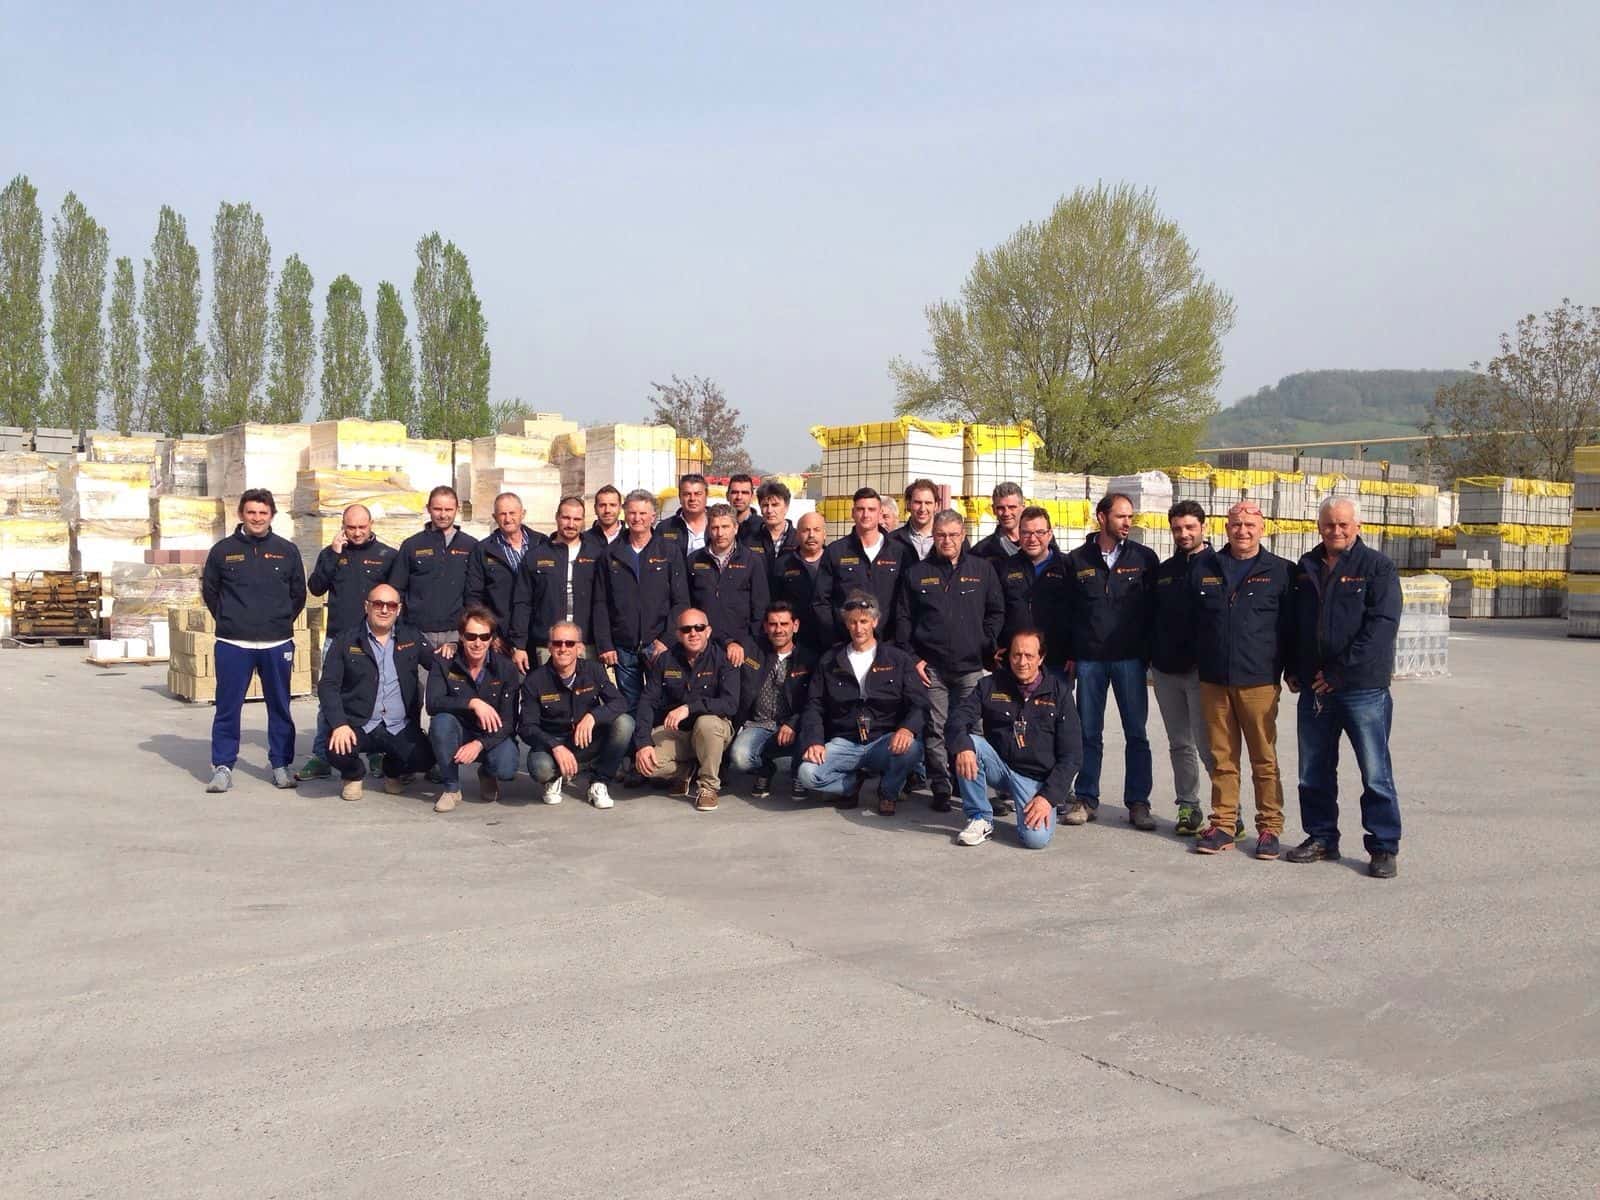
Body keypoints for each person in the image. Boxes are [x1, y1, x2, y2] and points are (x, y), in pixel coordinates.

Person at [1285, 497, 1403, 878]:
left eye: (1343, 524)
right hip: (1315, 689)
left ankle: (1383, 846)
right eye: (1329, 524)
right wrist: (1295, 667)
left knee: (1375, 772)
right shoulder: (1306, 567)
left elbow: (1382, 627)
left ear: (1357, 526)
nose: (1335, 530)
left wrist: (1339, 672)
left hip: (1361, 688)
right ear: (1319, 526)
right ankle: (1322, 837)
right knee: (1313, 770)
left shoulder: (1377, 568)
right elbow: (1296, 623)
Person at [1188, 500, 1297, 859]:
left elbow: (1291, 628)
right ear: (1226, 528)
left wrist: (1293, 669)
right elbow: (1191, 621)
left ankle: (1269, 828)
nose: (1243, 531)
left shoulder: (1281, 572)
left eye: (1250, 525)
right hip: (1214, 680)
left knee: (1263, 758)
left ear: (1262, 528)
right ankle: (1223, 824)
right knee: (1222, 757)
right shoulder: (1205, 567)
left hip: (1259, 681)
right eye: (1236, 524)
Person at [891, 509, 1005, 812]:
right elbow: (903, 618)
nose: (947, 541)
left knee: (972, 728)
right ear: (933, 536)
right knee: (935, 729)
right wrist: (913, 658)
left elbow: (996, 611)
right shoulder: (917, 573)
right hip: (932, 668)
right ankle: (941, 786)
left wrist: (985, 642)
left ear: (963, 535)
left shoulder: (981, 569)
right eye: (941, 535)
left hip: (971, 667)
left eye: (953, 535)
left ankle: (972, 787)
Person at [1061, 492, 1160, 830]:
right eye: (1120, 516)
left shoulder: (1144, 558)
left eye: (1130, 516)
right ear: (1101, 517)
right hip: (1090, 661)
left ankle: (1138, 802)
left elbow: (1154, 611)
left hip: (1130, 660)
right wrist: (1072, 653)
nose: (1127, 522)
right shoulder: (1077, 560)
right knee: (1089, 732)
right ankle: (1086, 799)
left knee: (1137, 733)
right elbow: (1068, 612)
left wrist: (1148, 654)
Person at [200, 489, 307, 793]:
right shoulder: (222, 551)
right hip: (233, 644)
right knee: (227, 707)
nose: (257, 518)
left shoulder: (287, 551)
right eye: (251, 512)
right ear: (241, 515)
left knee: (280, 707)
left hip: (277, 643)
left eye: (263, 512)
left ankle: (281, 765)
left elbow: (298, 594)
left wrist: (279, 622)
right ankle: (222, 766)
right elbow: (211, 592)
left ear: (272, 515)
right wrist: (231, 620)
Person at [947, 629, 1083, 849]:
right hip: (1000, 767)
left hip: (1036, 779)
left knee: (1035, 840)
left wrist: (1047, 798)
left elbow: (1072, 756)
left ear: (1041, 658)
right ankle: (979, 817)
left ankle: (1033, 806)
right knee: (969, 743)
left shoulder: (1060, 693)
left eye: (1029, 656)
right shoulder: (990, 685)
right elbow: (957, 719)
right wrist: (963, 747)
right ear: (1008, 656)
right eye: (1016, 655)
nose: (1022, 662)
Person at [796, 591, 928, 815]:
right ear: (846, 624)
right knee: (807, 773)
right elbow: (814, 705)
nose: (859, 628)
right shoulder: (830, 660)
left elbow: (920, 702)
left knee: (912, 749)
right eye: (853, 622)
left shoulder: (898, 659)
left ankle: (888, 792)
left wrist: (907, 729)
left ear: (875, 622)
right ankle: (851, 784)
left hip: (883, 740)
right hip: (845, 741)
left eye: (864, 621)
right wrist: (815, 741)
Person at [296, 503, 397, 782]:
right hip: (338, 639)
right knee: (329, 698)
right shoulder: (331, 554)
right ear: (343, 527)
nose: (357, 532)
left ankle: (376, 753)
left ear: (371, 525)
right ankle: (321, 756)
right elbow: (316, 588)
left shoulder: (387, 556)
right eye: (351, 527)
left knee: (378, 696)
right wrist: (333, 554)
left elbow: (397, 598)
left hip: (377, 640)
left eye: (362, 527)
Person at [319, 583, 437, 801]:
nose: (384, 610)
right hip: (359, 723)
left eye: (391, 605)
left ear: (398, 609)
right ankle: (353, 775)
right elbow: (328, 685)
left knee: (426, 758)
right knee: (336, 749)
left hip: (398, 725)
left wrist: (453, 649)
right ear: (367, 606)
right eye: (378, 604)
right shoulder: (346, 640)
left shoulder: (411, 636)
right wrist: (339, 724)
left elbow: (437, 663)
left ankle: (392, 770)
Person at [1150, 499, 1216, 837]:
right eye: (1177, 528)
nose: (1184, 533)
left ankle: (1228, 811)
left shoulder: (1219, 567)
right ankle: (1188, 806)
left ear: (1204, 526)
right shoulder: (1165, 571)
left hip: (1202, 674)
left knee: (1209, 745)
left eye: (1190, 527)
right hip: (1166, 671)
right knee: (1179, 743)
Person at [633, 607, 741, 812]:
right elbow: (647, 701)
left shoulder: (723, 659)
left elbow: (730, 704)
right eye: (686, 629)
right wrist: (643, 743)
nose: (693, 633)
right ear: (677, 634)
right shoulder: (666, 659)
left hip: (713, 731)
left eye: (699, 628)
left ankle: (708, 787)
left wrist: (689, 708)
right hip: (679, 732)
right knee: (646, 765)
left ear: (708, 631)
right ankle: (687, 771)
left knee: (706, 723)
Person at [520, 619, 635, 809]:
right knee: (540, 768)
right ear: (549, 647)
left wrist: (593, 717)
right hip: (554, 744)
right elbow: (526, 727)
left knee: (625, 722)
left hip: (588, 741)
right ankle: (556, 777)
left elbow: (619, 702)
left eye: (570, 643)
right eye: (557, 643)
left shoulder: (594, 670)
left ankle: (600, 781)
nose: (563, 648)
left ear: (580, 648)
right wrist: (555, 746)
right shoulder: (535, 680)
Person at [593, 489, 689, 710]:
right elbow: (600, 603)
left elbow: (681, 601)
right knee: (631, 707)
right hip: (623, 647)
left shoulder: (669, 551)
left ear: (653, 516)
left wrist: (667, 639)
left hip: (659, 645)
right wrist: (605, 644)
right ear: (625, 514)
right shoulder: (611, 554)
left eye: (643, 513)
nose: (637, 518)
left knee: (663, 703)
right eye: (632, 513)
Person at [425, 605, 520, 813]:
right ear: (461, 636)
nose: (478, 643)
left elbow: (509, 722)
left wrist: (479, 744)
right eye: (471, 636)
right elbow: (433, 703)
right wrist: (472, 702)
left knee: (506, 767)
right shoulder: (444, 661)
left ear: (491, 638)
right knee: (441, 723)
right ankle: (451, 788)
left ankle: (487, 773)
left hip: (491, 735)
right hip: (459, 730)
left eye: (484, 637)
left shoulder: (506, 668)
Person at [730, 601, 817, 800]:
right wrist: (731, 644)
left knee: (810, 729)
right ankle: (765, 770)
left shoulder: (808, 659)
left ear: (795, 626)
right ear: (765, 627)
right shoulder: (752, 651)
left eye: (784, 624)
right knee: (741, 758)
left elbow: (814, 700)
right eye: (773, 624)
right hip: (758, 724)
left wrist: (793, 723)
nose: (778, 630)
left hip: (794, 725)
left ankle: (798, 773)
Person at [509, 494, 600, 668]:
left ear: (583, 521)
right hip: (547, 644)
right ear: (557, 517)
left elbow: (603, 602)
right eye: (566, 518)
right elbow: (522, 602)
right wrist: (519, 645)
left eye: (577, 519)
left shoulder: (596, 555)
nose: (571, 524)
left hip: (586, 644)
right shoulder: (536, 556)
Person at [391, 486, 479, 657]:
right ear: (428, 509)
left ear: (457, 509)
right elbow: (396, 590)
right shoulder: (412, 545)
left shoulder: (471, 546)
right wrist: (402, 629)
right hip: (418, 633)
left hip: (457, 634)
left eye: (448, 509)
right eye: (438, 509)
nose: (443, 515)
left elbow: (475, 592)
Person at [813, 487, 907, 643]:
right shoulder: (836, 551)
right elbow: (821, 600)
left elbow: (906, 603)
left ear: (880, 513)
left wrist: (898, 640)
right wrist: (834, 637)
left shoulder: (899, 552)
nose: (866, 514)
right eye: (860, 509)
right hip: (845, 642)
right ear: (853, 513)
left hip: (888, 644)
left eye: (871, 509)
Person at [687, 503, 769, 666]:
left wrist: (745, 643)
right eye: (715, 527)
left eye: (725, 527)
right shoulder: (694, 560)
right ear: (708, 529)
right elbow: (687, 604)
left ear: (735, 528)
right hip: (703, 645)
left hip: (741, 649)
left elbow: (760, 607)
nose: (720, 533)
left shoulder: (752, 561)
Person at [996, 506, 1072, 671]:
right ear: (1019, 534)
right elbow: (996, 610)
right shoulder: (1006, 568)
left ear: (1049, 534)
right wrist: (994, 644)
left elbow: (1079, 613)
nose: (1032, 539)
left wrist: (1074, 653)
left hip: (1057, 660)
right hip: (1016, 660)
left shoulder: (1067, 567)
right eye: (1026, 533)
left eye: (1039, 532)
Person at [466, 491, 543, 631]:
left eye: (512, 513)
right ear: (494, 517)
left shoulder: (541, 543)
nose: (508, 519)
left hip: (537, 630)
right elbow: (474, 595)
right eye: (502, 514)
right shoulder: (483, 550)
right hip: (501, 633)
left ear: (523, 514)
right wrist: (489, 632)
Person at [773, 511, 829, 654]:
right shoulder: (783, 564)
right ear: (797, 535)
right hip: (796, 641)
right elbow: (774, 602)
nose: (811, 535)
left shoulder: (835, 561)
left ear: (824, 534)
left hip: (831, 637)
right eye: (806, 530)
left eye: (816, 530)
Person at [744, 479, 800, 573]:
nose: (769, 510)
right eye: (765, 505)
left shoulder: (798, 539)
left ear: (786, 507)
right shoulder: (748, 540)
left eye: (775, 505)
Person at [657, 472, 710, 563]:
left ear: (706, 495)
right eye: (687, 494)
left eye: (698, 494)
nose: (692, 499)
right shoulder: (665, 528)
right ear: (680, 497)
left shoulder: (720, 525)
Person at [972, 482, 1026, 561]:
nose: (1006, 513)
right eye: (1000, 508)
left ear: (1023, 508)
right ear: (993, 510)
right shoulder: (980, 552)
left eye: (1012, 507)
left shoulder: (1040, 544)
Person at [889, 478, 940, 562]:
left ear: (936, 506)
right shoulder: (891, 540)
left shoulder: (950, 539)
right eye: (918, 502)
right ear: (908, 504)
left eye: (928, 503)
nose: (922, 509)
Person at [726, 473, 764, 542]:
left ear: (752, 497)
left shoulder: (763, 527)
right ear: (727, 496)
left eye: (744, 493)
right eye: (735, 492)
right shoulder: (718, 525)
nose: (739, 497)